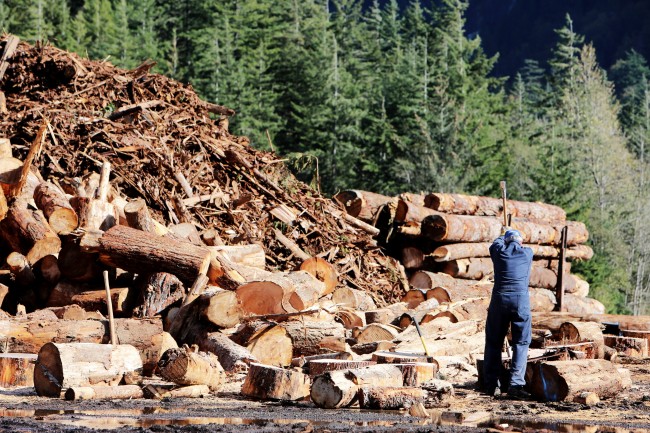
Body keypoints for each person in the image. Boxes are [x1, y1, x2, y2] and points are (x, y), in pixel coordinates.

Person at [483, 228, 533, 399]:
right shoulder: (527, 253)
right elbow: (516, 244)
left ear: (506, 241)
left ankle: (492, 385)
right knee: (521, 342)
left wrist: (502, 234)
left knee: (494, 342)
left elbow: (495, 243)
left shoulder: (498, 252)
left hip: (500, 300)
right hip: (520, 302)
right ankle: (516, 384)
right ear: (520, 242)